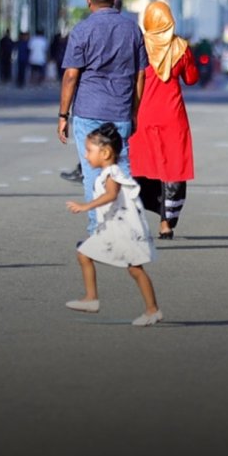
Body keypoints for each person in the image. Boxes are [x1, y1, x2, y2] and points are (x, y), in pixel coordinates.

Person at [58, 0, 147, 233]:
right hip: (120, 110)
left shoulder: (82, 30)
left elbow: (71, 75)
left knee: (91, 171)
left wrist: (63, 114)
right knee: (122, 168)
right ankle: (129, 226)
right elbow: (141, 74)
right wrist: (135, 110)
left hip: (88, 111)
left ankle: (98, 229)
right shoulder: (132, 29)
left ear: (89, 2)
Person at [64, 122, 161, 326]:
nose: (86, 155)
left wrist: (85, 206)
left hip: (123, 230)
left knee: (134, 269)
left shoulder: (112, 174)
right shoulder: (107, 173)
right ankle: (92, 299)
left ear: (106, 153)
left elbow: (111, 194)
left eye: (90, 151)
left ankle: (150, 309)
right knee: (86, 255)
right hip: (114, 228)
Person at [129, 1, 199, 239]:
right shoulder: (181, 47)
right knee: (173, 169)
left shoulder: (138, 45)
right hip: (173, 116)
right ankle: (166, 224)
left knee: (140, 168)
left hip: (142, 115)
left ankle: (136, 221)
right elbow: (191, 79)